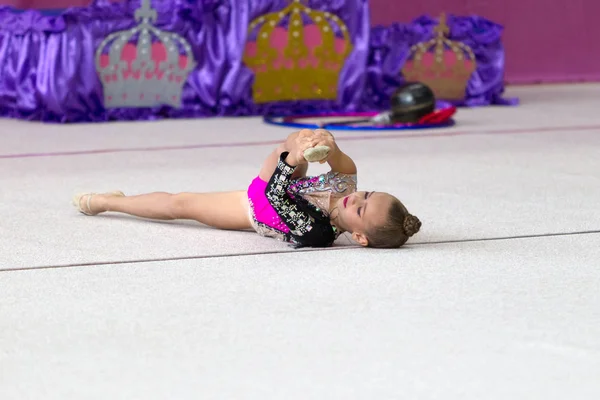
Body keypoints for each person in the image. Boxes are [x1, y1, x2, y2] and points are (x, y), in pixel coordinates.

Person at [72, 129, 421, 248]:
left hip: (254, 208)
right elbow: (344, 161)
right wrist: (325, 142)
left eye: (359, 208)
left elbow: (273, 195)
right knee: (298, 144)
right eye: (368, 193)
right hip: (286, 182)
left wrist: (293, 158)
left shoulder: (317, 232)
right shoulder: (346, 188)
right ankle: (298, 147)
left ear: (359, 237)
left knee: (180, 204)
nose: (356, 196)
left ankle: (108, 202)